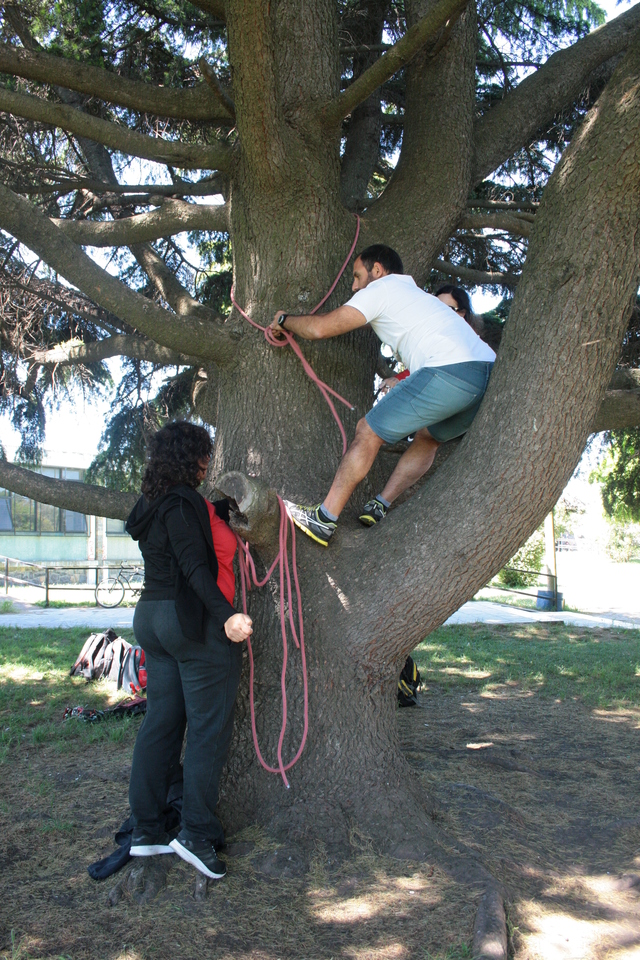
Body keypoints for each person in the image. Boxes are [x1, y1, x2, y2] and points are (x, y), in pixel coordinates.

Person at [269, 245, 496, 546]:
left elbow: (320, 328)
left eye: (357, 276)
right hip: (486, 376)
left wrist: (284, 320)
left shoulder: (382, 288)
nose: (354, 286)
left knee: (368, 430)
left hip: (449, 370)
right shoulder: (415, 295)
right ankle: (381, 504)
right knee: (429, 437)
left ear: (376, 270)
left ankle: (323, 519)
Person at [125, 421, 253, 880]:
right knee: (207, 730)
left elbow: (188, 529)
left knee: (161, 723)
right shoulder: (181, 504)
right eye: (203, 455)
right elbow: (195, 567)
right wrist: (227, 616)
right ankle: (196, 834)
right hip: (188, 622)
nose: (207, 464)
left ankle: (147, 830)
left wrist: (217, 508)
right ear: (190, 458)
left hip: (152, 619)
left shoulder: (154, 502)